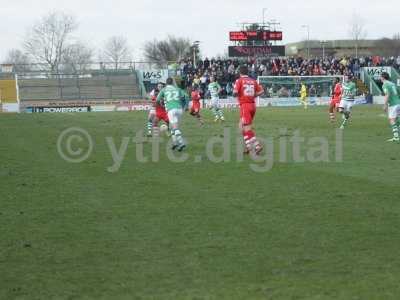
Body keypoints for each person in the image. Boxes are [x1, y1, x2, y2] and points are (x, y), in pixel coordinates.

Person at [233, 65, 265, 155]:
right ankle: (248, 146)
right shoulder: (253, 81)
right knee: (241, 126)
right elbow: (262, 91)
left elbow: (235, 93)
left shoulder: (239, 81)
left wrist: (236, 94)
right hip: (252, 106)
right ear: (247, 72)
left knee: (247, 128)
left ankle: (257, 146)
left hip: (245, 106)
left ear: (240, 72)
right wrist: (254, 95)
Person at [157, 78, 188, 151]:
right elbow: (186, 96)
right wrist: (185, 106)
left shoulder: (164, 90)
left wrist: (161, 105)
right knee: (171, 127)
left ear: (166, 83)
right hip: (179, 109)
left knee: (175, 127)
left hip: (171, 110)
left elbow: (157, 100)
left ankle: (181, 143)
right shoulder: (178, 89)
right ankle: (175, 143)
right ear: (172, 83)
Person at [381, 72, 400, 142]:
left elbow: (387, 94)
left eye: (381, 77)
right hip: (398, 103)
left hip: (393, 104)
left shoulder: (385, 84)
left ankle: (396, 137)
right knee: (397, 119)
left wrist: (385, 105)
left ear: (383, 77)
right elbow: (398, 92)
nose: (380, 78)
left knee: (391, 119)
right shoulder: (393, 84)